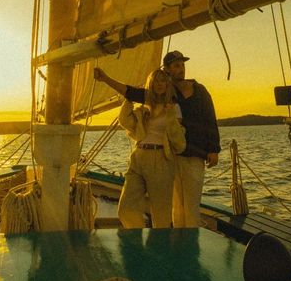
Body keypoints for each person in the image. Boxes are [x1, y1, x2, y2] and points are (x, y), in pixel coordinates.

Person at [94, 50, 220, 227]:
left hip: (195, 153)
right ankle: (177, 244)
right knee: (176, 207)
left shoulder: (199, 90)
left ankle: (190, 247)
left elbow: (210, 118)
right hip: (172, 155)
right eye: (176, 66)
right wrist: (106, 78)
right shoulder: (165, 93)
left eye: (182, 65)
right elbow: (132, 92)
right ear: (167, 70)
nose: (181, 69)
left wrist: (213, 149)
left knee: (191, 205)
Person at [117, 68, 186, 229]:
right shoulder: (144, 109)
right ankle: (136, 243)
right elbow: (126, 122)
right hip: (138, 157)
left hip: (161, 158)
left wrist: (170, 118)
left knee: (161, 216)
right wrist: (128, 100)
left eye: (163, 81)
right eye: (156, 81)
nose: (160, 84)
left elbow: (179, 142)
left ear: (168, 84)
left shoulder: (173, 108)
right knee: (126, 208)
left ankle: (159, 250)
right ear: (150, 84)